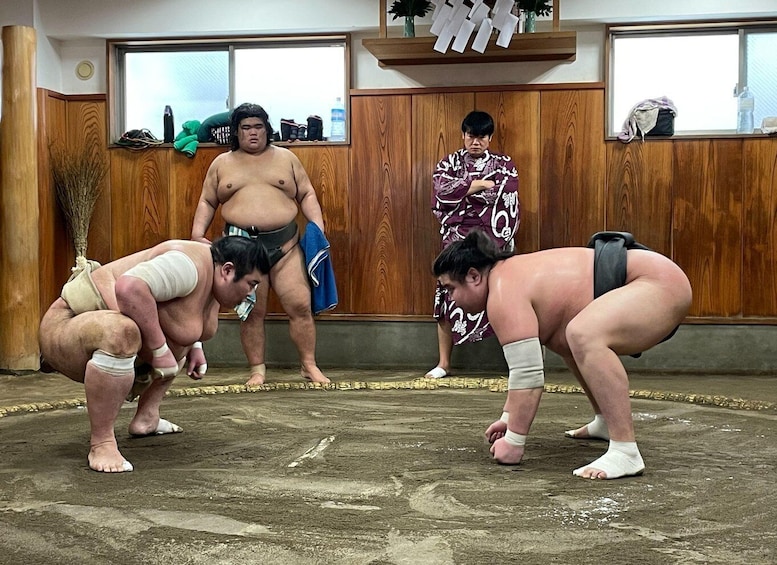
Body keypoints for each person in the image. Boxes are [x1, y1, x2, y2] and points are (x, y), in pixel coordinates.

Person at [432, 230, 692, 479]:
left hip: (657, 283)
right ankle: (605, 420)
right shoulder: (505, 278)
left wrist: (514, 441)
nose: (450, 299)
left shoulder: (502, 291)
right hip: (650, 280)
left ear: (474, 276)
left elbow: (527, 376)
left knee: (583, 333)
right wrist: (508, 418)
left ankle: (625, 450)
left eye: (450, 288)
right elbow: (525, 370)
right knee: (567, 338)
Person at [39, 236, 270, 473]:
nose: (251, 293)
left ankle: (147, 418)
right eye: (251, 284)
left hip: (97, 330)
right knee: (123, 332)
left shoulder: (214, 272)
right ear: (228, 271)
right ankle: (102, 443)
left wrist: (195, 346)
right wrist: (160, 351)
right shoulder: (186, 266)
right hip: (67, 324)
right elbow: (129, 288)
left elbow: (179, 314)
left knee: (172, 336)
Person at [191, 102, 330, 386]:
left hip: (286, 245)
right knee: (253, 312)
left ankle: (309, 365)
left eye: (258, 127)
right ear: (236, 132)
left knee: (300, 304)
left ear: (267, 129)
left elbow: (306, 193)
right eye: (246, 128)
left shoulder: (287, 158)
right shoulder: (222, 163)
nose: (253, 133)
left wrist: (317, 225)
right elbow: (207, 200)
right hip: (243, 248)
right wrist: (197, 234)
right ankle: (257, 369)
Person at [426, 110, 520, 379]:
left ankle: (514, 363)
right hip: (455, 243)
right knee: (446, 297)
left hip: (491, 243)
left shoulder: (504, 164)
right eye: (470, 136)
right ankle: (444, 363)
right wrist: (475, 185)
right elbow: (440, 192)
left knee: (505, 298)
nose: (475, 142)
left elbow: (505, 193)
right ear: (463, 136)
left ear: (489, 138)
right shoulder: (449, 163)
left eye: (481, 137)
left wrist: (464, 189)